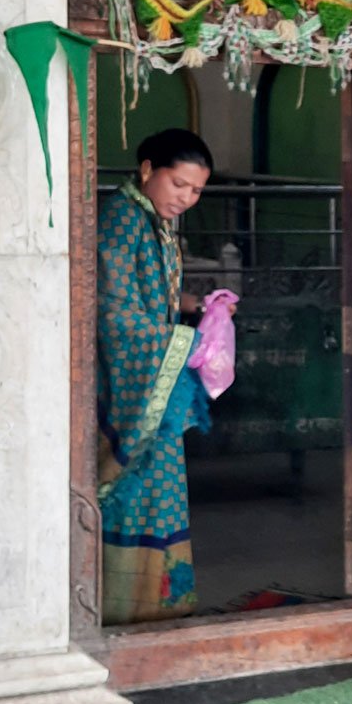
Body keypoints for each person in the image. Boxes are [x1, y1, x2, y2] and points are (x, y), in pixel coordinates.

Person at [96, 128, 215, 624]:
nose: (185, 198)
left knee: (159, 489)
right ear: (147, 169)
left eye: (196, 191)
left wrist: (193, 307)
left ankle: (158, 608)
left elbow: (150, 297)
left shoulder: (153, 220)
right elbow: (113, 312)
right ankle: (126, 610)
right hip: (127, 383)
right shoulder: (122, 221)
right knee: (136, 492)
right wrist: (179, 343)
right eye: (178, 184)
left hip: (155, 382)